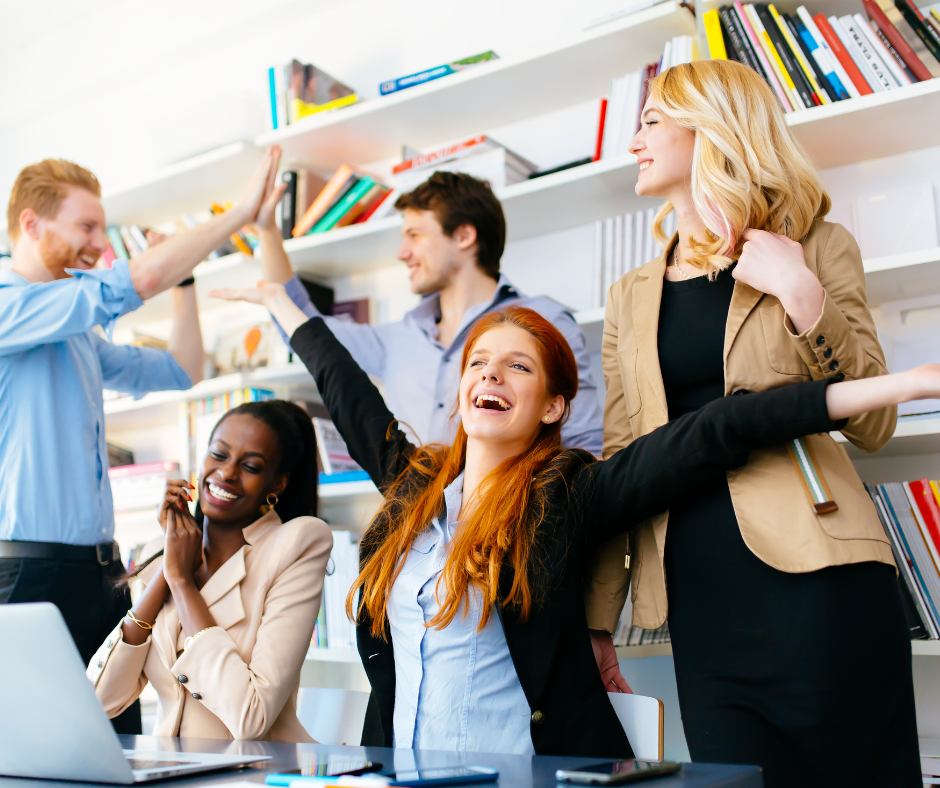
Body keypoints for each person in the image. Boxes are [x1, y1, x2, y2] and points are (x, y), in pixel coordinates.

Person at [213, 280, 939, 759]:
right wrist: (283, 302)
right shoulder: (414, 487)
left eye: (518, 368)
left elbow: (718, 428)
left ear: (555, 406)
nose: (490, 376)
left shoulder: (569, 494)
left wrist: (902, 385)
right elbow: (347, 389)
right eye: (479, 363)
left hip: (527, 776)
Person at [600, 59, 919, 786]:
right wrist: (596, 619)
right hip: (699, 600)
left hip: (822, 582)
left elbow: (874, 423)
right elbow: (621, 465)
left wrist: (802, 291)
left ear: (709, 126)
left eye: (650, 121)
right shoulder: (629, 294)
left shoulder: (816, 244)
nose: (634, 142)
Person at [246, 158, 629, 690]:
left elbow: (582, 457)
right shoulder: (399, 336)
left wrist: (584, 610)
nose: (402, 252)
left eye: (414, 235)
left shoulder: (537, 324)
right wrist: (267, 229)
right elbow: (310, 334)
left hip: (510, 563)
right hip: (420, 562)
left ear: (464, 236)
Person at [0, 148, 280, 733]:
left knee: (114, 743)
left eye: (104, 228)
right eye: (86, 226)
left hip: (99, 573)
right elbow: (129, 283)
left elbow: (182, 367)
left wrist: (185, 282)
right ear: (31, 223)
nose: (101, 243)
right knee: (34, 746)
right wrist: (239, 216)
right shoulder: (9, 306)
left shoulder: (76, 332)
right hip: (27, 576)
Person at [86, 400, 332, 742]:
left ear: (276, 485)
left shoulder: (296, 543)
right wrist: (167, 567)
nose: (227, 472)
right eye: (219, 455)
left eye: (250, 466)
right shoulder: (161, 552)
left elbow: (251, 719)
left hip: (256, 775)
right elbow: (100, 701)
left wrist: (183, 583)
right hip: (172, 774)